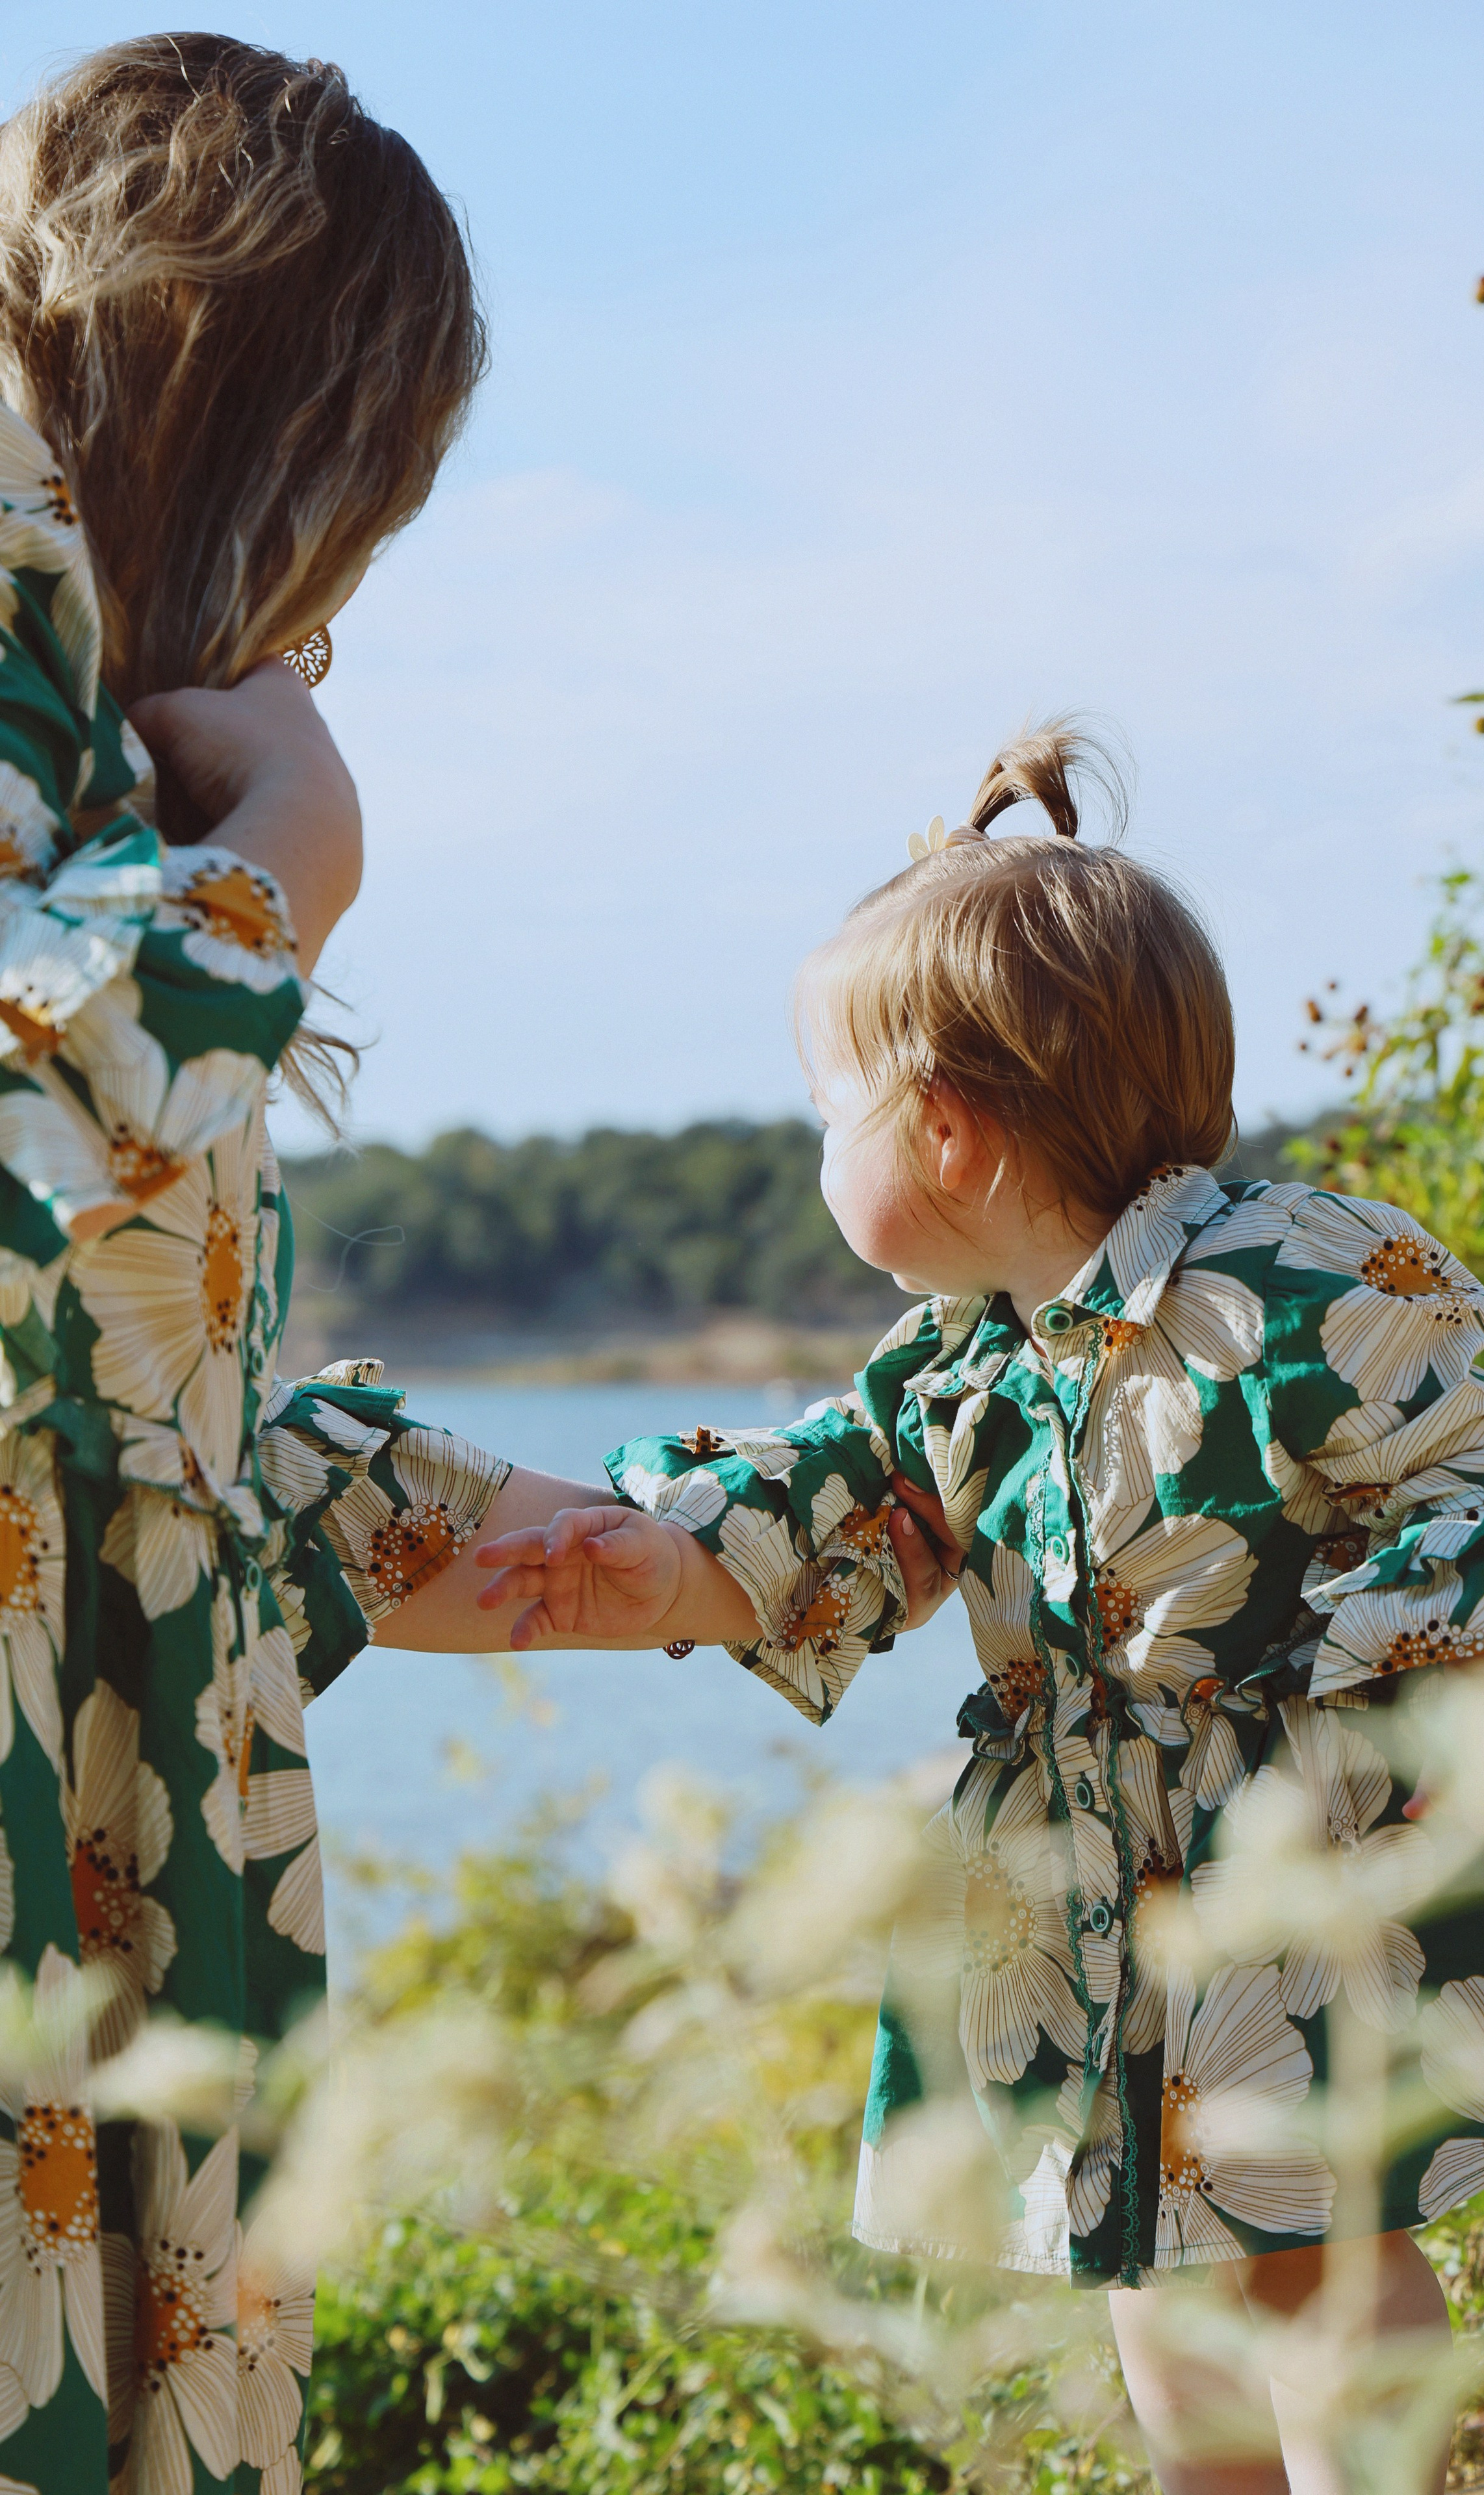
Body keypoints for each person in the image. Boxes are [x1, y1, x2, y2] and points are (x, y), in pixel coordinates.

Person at [477, 723, 1484, 2495]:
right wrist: (668, 1559)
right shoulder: (958, 1362)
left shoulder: (1277, 1284)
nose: (820, 1150)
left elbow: (1474, 1491)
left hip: (1285, 1849)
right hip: (1088, 1875)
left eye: (829, 1115)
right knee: (1145, 2262)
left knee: (1314, 2247)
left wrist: (1432, 1695)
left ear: (945, 1131)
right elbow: (832, 1506)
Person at [0, 34, 737, 2493]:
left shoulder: (80, 728)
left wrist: (608, 1545)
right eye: (367, 513)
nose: (333, 607)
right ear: (273, 427)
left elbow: (111, 1447)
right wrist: (273, 880)